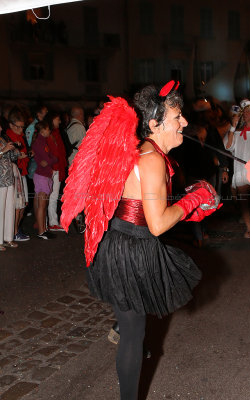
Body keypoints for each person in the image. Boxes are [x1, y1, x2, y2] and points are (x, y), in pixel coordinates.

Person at [61, 81, 222, 400]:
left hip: (119, 240)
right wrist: (192, 201)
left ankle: (124, 329)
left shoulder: (141, 151)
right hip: (132, 248)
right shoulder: (152, 161)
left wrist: (188, 204)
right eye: (177, 118)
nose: (185, 123)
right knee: (134, 336)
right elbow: (159, 223)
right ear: (154, 124)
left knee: (133, 327)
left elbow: (146, 206)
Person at [224, 99, 250, 238]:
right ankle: (249, 226)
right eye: (245, 111)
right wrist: (232, 127)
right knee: (243, 200)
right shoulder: (237, 132)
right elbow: (228, 146)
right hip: (241, 170)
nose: (247, 114)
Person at [6, 109, 30, 241]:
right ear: (11, 125)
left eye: (22, 126)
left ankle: (15, 229)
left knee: (23, 204)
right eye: (19, 127)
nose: (21, 129)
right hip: (14, 173)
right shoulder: (8, 136)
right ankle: (13, 231)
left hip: (22, 172)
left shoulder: (19, 136)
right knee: (17, 205)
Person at [32, 120, 57, 240]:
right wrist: (53, 159)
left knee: (42, 203)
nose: (49, 131)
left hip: (44, 175)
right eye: (48, 129)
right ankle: (42, 231)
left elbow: (47, 160)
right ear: (42, 130)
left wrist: (50, 160)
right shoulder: (39, 143)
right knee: (42, 204)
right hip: (42, 176)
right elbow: (47, 160)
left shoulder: (43, 142)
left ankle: (43, 228)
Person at [46, 112, 67, 231]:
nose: (59, 122)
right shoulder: (52, 134)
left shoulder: (55, 133)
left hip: (56, 168)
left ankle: (52, 221)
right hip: (54, 168)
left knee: (53, 196)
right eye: (57, 119)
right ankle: (52, 222)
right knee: (52, 196)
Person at [0, 122, 18, 251]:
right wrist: (3, 150)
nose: (1, 128)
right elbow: (2, 153)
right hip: (0, 180)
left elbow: (12, 156)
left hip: (8, 177)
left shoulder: (2, 138)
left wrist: (14, 148)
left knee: (9, 208)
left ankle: (7, 237)